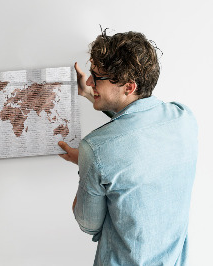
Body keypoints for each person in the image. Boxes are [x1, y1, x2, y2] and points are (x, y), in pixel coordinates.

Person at [58, 30, 198, 265]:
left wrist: (86, 163)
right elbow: (138, 124)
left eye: (97, 77)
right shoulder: (184, 118)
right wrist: (91, 94)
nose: (90, 81)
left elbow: (88, 224)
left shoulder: (95, 149)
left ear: (129, 87)